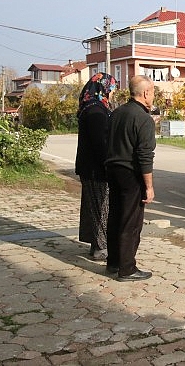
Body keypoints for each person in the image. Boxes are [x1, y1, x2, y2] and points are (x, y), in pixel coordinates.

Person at [105, 75, 156, 281]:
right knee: (131, 221)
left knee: (115, 216)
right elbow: (145, 155)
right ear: (145, 93)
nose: (153, 96)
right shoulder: (143, 118)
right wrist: (149, 186)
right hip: (130, 173)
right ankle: (127, 268)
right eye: (152, 92)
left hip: (113, 169)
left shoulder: (116, 112)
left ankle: (114, 261)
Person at [74, 72, 117, 261]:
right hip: (95, 168)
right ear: (103, 88)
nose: (112, 94)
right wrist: (109, 163)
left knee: (93, 206)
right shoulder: (96, 111)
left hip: (89, 166)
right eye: (112, 89)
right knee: (101, 207)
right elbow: (101, 143)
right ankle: (101, 247)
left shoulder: (91, 106)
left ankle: (95, 245)